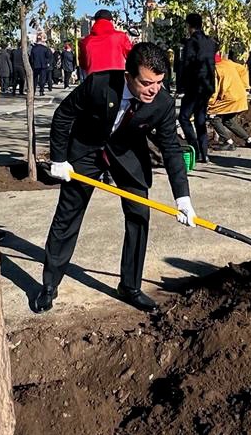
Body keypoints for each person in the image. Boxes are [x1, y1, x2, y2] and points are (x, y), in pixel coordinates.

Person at [34, 43, 196, 314]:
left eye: (159, 82)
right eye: (146, 82)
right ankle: (50, 284)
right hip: (86, 150)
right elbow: (64, 115)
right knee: (68, 215)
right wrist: (59, 159)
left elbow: (171, 149)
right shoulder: (98, 84)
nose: (153, 89)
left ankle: (130, 286)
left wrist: (183, 198)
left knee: (139, 215)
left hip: (128, 155)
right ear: (128, 75)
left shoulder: (163, 102)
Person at [178, 13, 217, 162]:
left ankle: (194, 148)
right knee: (200, 120)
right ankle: (204, 153)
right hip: (207, 86)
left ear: (189, 25)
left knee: (183, 117)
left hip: (194, 86)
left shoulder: (191, 43)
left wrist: (181, 86)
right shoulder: (211, 42)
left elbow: (186, 65)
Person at [208, 50, 251, 152]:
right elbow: (243, 70)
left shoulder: (215, 69)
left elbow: (214, 90)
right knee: (228, 120)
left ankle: (228, 142)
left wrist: (210, 104)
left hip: (230, 98)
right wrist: (246, 87)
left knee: (213, 117)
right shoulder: (229, 63)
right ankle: (249, 140)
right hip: (240, 96)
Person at [79, 9, 132, 75]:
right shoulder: (120, 37)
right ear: (111, 21)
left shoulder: (85, 41)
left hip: (94, 80)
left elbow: (83, 64)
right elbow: (131, 56)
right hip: (117, 79)